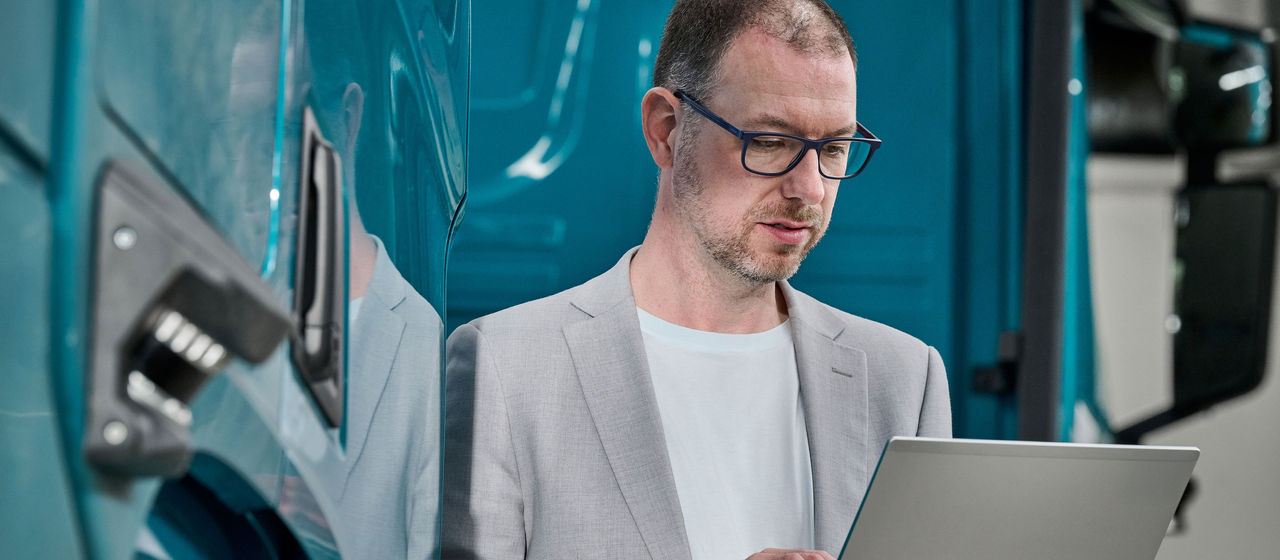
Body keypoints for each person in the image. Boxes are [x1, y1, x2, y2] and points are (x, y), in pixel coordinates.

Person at [442, 1, 951, 558]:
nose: (811, 189)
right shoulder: (507, 369)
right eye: (770, 142)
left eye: (833, 148)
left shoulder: (905, 381)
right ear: (666, 130)